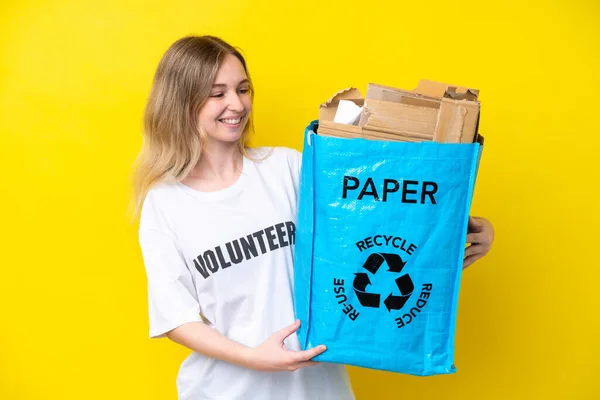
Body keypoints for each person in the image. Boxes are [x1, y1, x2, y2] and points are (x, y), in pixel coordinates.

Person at [131, 35, 494, 400]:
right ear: (182, 101)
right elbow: (175, 317)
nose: (236, 104)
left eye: (243, 89)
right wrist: (254, 358)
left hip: (319, 389)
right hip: (225, 390)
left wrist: (462, 230)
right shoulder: (165, 204)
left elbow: (372, 231)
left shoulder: (286, 167)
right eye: (217, 93)